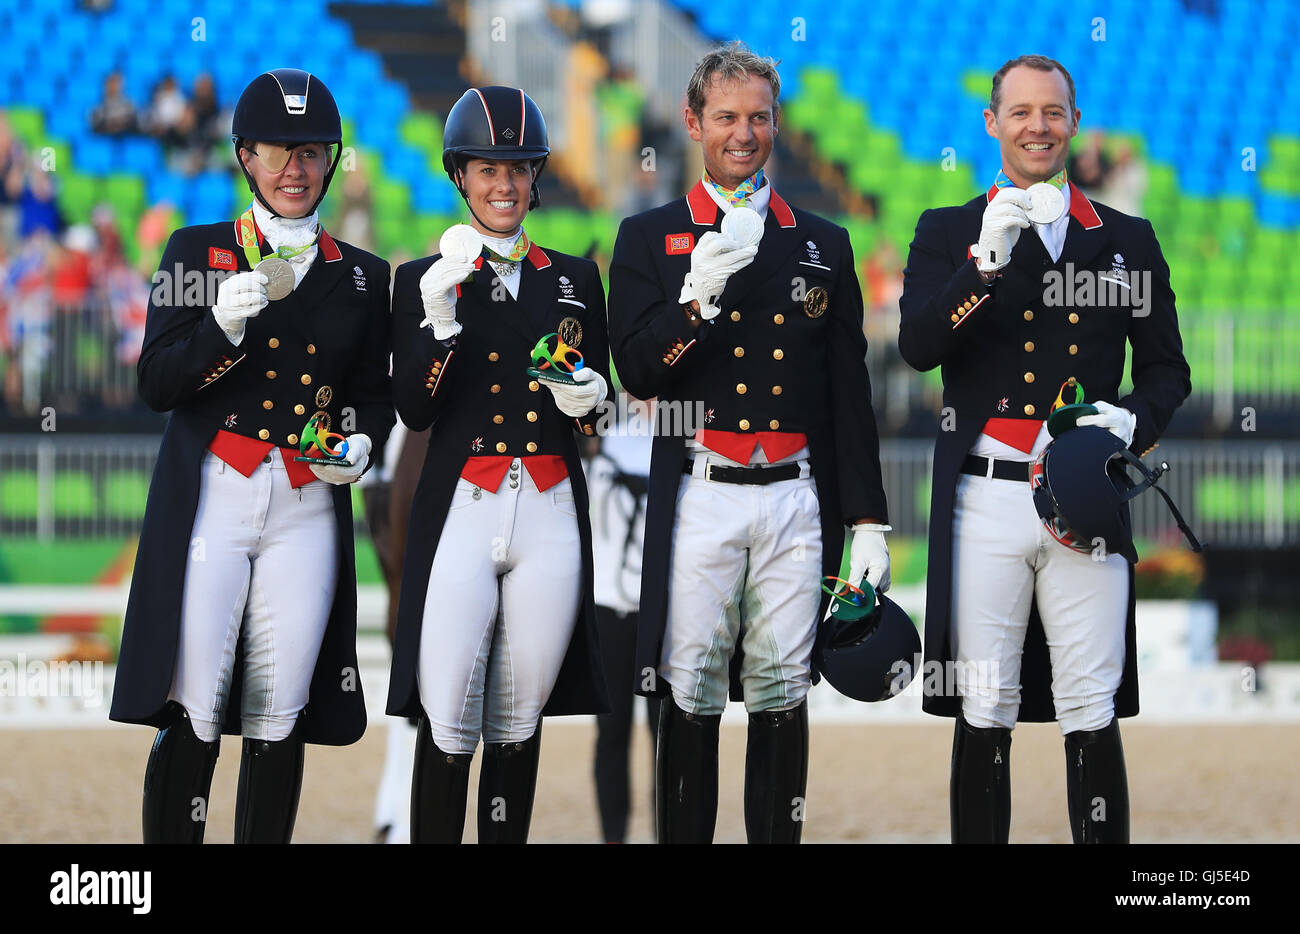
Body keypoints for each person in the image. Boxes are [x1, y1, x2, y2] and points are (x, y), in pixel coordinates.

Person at [898, 54, 1191, 843]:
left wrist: (1132, 422)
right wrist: (982, 265)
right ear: (992, 122)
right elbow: (918, 348)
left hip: (1084, 497)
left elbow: (1167, 370)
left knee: (1090, 703)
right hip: (985, 496)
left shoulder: (1127, 238)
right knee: (984, 701)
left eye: (1053, 111)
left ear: (1075, 123)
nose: (1038, 126)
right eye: (1021, 111)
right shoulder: (948, 230)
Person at [607, 41, 891, 845]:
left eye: (759, 118)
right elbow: (637, 370)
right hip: (700, 492)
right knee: (690, 689)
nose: (744, 133)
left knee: (781, 690)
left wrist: (868, 520)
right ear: (694, 121)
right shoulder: (648, 237)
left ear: (776, 122)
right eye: (727, 117)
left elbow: (848, 395)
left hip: (795, 499)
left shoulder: (823, 243)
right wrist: (693, 302)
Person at [109, 68, 394, 844]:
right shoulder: (196, 251)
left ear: (330, 161)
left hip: (306, 503)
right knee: (195, 700)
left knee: (280, 708)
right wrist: (217, 330)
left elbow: (372, 396)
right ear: (245, 156)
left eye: (310, 154)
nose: (293, 170)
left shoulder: (363, 276)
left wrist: (363, 442)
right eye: (276, 152)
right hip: (216, 497)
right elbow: (156, 384)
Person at [385, 86, 610, 845]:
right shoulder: (423, 278)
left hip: (550, 503)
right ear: (461, 176)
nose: (504, 185)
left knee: (519, 718)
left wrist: (591, 398)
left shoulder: (576, 278)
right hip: (464, 504)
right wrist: (439, 327)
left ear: (535, 174)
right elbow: (415, 409)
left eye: (517, 168)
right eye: (487, 169)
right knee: (448, 711)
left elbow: (599, 416)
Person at [584, 404, 660, 843]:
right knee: (611, 733)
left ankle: (665, 830)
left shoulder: (679, 436)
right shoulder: (603, 436)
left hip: (660, 612)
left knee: (665, 734)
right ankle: (613, 836)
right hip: (608, 607)